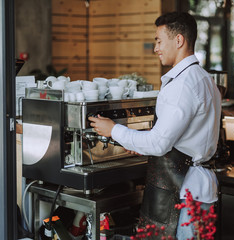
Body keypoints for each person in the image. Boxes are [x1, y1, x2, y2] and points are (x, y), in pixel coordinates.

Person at [88, 12, 221, 239]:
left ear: (178, 40)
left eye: (159, 41)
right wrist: (140, 143)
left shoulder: (182, 85)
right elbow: (180, 136)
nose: (155, 48)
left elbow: (159, 144)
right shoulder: (204, 78)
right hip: (201, 189)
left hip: (184, 193)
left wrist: (113, 130)